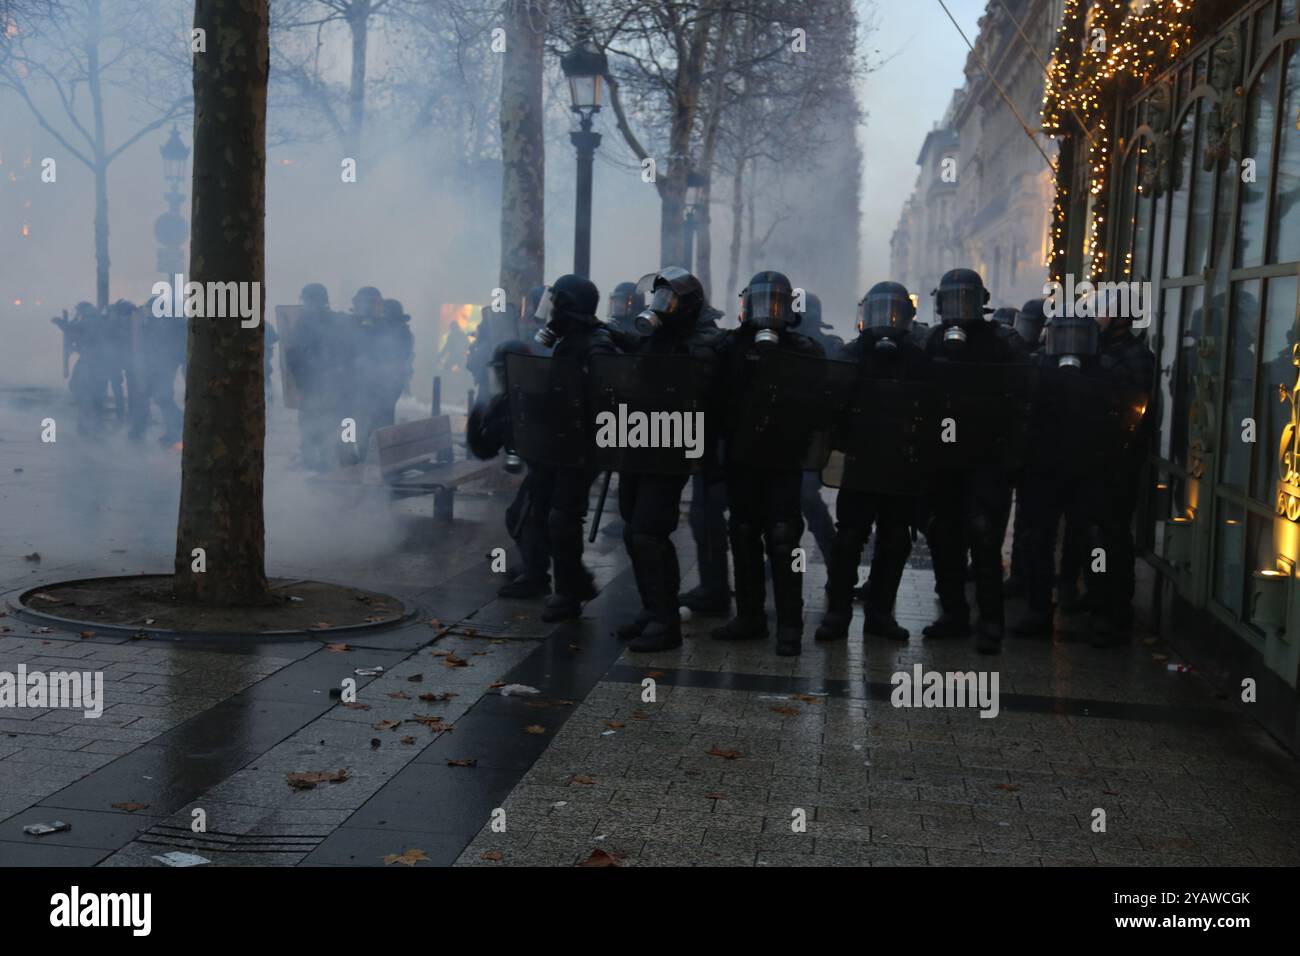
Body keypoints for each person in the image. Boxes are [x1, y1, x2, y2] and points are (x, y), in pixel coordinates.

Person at [713, 270, 824, 657]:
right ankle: (750, 617)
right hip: (743, 460)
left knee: (782, 539)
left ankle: (790, 624)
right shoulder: (729, 347)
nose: (767, 311)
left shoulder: (804, 350)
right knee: (743, 535)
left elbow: (818, 403)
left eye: (775, 303)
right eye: (760, 302)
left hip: (782, 461)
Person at [613, 268, 723, 652]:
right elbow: (633, 358)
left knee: (649, 531)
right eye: (658, 297)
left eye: (670, 299)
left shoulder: (704, 338)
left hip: (673, 445)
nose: (662, 306)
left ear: (688, 305)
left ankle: (666, 622)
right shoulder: (655, 335)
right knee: (633, 529)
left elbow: (699, 378)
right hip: (638, 440)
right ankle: (652, 609)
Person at [922, 268, 1029, 655]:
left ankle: (990, 622)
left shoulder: (1005, 342)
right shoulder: (933, 340)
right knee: (943, 539)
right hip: (944, 461)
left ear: (982, 302)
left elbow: (1024, 401)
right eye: (952, 301)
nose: (958, 309)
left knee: (985, 541)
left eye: (965, 300)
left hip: (988, 459)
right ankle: (954, 614)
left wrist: (1012, 456)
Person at [816, 281, 929, 643]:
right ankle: (838, 613)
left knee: (895, 540)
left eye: (894, 313)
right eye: (881, 312)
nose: (887, 321)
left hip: (901, 465)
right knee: (848, 539)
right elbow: (831, 406)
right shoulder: (852, 355)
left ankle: (880, 614)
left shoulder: (918, 360)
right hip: (861, 462)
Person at [1011, 312, 1102, 640]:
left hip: (1078, 473)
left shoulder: (1101, 372)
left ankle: (1094, 608)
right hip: (1050, 471)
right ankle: (1039, 609)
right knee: (1040, 542)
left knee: (1088, 541)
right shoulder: (1037, 371)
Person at [533, 274, 618, 623]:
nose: (547, 311)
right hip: (564, 443)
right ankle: (575, 583)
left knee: (563, 516)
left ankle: (568, 592)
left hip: (582, 446)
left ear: (568, 306)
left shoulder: (595, 343)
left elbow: (607, 393)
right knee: (552, 513)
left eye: (554, 303)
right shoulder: (572, 339)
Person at [1086, 305, 1156, 648]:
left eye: (1101, 312)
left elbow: (1132, 410)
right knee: (1097, 533)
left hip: (1119, 461)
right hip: (1099, 457)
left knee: (1112, 535)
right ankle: (1099, 600)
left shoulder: (1134, 356)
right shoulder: (1104, 349)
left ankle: (1113, 609)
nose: (1095, 318)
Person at [467, 339, 554, 598]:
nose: (503, 376)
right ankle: (534, 568)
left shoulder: (543, 393)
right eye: (500, 371)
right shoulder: (505, 402)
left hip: (561, 469)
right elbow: (485, 449)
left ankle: (538, 577)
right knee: (518, 515)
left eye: (507, 370)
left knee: (532, 517)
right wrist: (477, 419)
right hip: (542, 469)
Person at [680, 301, 731, 617]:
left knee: (709, 515)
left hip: (717, 443)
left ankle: (716, 591)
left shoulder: (705, 341)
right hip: (706, 441)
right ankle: (714, 587)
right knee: (703, 515)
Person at [1005, 296, 1049, 599]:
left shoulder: (1045, 359)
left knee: (1030, 522)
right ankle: (1022, 578)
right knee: (1024, 520)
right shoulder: (1020, 354)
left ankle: (1026, 579)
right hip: (1022, 445)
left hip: (1034, 449)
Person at [798, 292, 842, 573]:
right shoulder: (783, 346)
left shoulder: (829, 347)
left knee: (807, 500)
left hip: (813, 438)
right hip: (786, 436)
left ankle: (836, 564)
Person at [285, 283, 345, 470]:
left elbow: (293, 354)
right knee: (330, 426)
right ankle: (330, 461)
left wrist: (302, 382)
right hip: (333, 386)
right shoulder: (337, 321)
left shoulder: (305, 322)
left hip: (315, 385)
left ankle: (314, 464)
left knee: (312, 425)